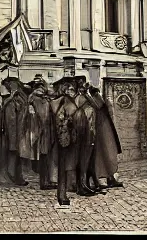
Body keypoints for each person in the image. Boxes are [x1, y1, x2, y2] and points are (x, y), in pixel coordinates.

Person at [50, 76, 84, 206]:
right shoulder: (66, 102)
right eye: (70, 88)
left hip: (58, 137)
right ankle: (62, 195)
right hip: (65, 137)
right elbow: (74, 116)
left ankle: (61, 193)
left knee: (62, 166)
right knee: (64, 166)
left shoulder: (54, 101)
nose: (72, 91)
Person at [86, 86, 123, 189]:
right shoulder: (95, 106)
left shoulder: (102, 107)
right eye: (96, 95)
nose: (99, 97)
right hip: (100, 134)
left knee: (109, 155)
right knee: (102, 156)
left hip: (107, 132)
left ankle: (110, 178)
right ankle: (100, 180)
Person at [26, 78, 57, 190]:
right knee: (44, 157)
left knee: (45, 157)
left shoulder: (36, 99)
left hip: (42, 132)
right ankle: (44, 182)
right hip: (43, 133)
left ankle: (46, 181)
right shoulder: (38, 100)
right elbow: (44, 117)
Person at [1, 76, 29, 187]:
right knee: (12, 155)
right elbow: (10, 117)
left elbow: (22, 111)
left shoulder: (19, 97)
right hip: (12, 131)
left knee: (17, 155)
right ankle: (13, 177)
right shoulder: (9, 99)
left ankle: (17, 177)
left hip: (18, 130)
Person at [74, 76, 97, 196]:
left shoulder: (85, 98)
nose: (83, 87)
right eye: (81, 84)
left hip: (90, 133)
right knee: (82, 161)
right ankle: (81, 186)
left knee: (86, 161)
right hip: (83, 134)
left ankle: (84, 184)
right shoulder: (79, 99)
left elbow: (96, 106)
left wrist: (88, 93)